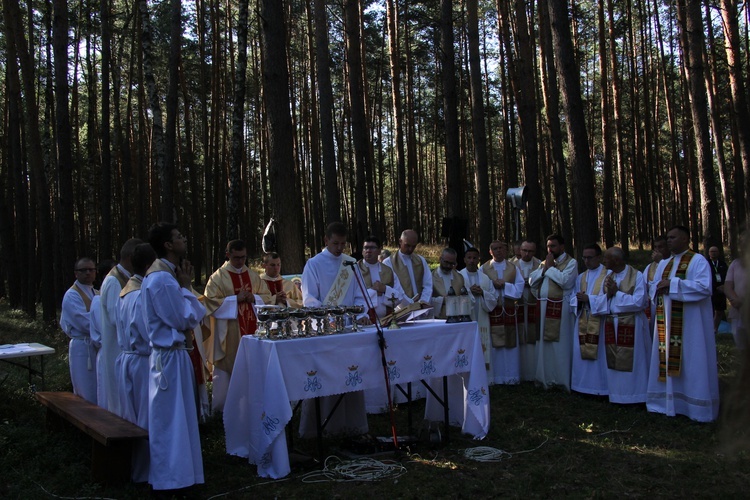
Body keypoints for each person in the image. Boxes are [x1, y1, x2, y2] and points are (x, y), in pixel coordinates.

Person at [142, 222, 206, 490]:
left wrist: (184, 287)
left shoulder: (166, 277)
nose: (184, 239)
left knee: (180, 419)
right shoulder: (162, 280)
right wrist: (186, 287)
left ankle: (183, 476)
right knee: (171, 421)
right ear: (168, 245)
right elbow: (184, 318)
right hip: (169, 357)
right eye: (179, 237)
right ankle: (170, 481)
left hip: (172, 356)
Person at [300, 222, 369, 437]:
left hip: (349, 328)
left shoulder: (350, 264)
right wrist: (328, 318)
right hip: (325, 329)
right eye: (335, 243)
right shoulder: (314, 264)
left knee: (351, 372)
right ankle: (322, 427)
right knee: (326, 375)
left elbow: (360, 294)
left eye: (343, 244)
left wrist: (362, 314)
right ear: (326, 240)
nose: (339, 248)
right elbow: (310, 298)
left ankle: (352, 424)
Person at [647, 225, 719, 422]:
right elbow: (654, 287)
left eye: (673, 237)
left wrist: (673, 284)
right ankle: (666, 403)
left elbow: (704, 288)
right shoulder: (665, 263)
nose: (668, 241)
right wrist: (658, 288)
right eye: (667, 238)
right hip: (666, 324)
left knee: (693, 360)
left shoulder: (698, 261)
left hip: (691, 325)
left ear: (686, 239)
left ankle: (696, 408)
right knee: (668, 358)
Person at [203, 240, 272, 413]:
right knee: (227, 368)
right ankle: (223, 409)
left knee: (252, 367)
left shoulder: (253, 275)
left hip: (252, 328)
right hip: (229, 332)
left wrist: (254, 298)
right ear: (228, 255)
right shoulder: (218, 277)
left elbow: (267, 296)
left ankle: (253, 406)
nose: (241, 261)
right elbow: (209, 303)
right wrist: (235, 299)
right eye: (236, 258)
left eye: (243, 257)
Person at [115, 243, 157, 483]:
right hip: (141, 360)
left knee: (131, 415)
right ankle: (145, 473)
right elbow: (147, 331)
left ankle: (135, 469)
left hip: (127, 358)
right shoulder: (140, 294)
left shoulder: (127, 290)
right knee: (144, 419)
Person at [601, 247, 651, 404]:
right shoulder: (608, 276)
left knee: (634, 362)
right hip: (612, 322)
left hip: (631, 322)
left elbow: (639, 302)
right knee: (614, 362)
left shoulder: (637, 276)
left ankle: (636, 396)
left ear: (616, 260)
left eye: (607, 258)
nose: (604, 261)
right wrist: (608, 295)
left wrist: (617, 293)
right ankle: (616, 395)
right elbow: (603, 301)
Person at [98, 238, 142, 414]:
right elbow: (117, 318)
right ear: (132, 257)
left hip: (127, 349)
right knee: (119, 401)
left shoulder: (125, 278)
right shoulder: (114, 281)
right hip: (118, 349)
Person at [529, 234, 578, 390]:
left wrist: (548, 268)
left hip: (560, 308)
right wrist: (545, 268)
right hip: (543, 308)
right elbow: (532, 281)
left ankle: (560, 379)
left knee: (559, 344)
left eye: (554, 246)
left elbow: (565, 281)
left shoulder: (572, 262)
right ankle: (545, 377)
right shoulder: (545, 263)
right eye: (548, 246)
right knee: (544, 344)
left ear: (562, 247)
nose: (550, 249)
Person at [480, 240, 524, 384]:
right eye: (495, 249)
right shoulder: (484, 269)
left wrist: (505, 285)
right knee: (494, 344)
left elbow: (519, 288)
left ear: (505, 251)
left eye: (501, 248)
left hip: (509, 309)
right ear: (490, 251)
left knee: (510, 344)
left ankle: (511, 376)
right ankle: (496, 376)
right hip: (492, 309)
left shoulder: (513, 267)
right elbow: (481, 287)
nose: (498, 251)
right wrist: (492, 285)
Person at [570, 244, 609, 396]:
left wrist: (589, 299)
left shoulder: (608, 275)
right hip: (583, 317)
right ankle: (581, 386)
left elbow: (609, 299)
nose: (586, 261)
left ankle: (600, 388)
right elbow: (572, 296)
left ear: (599, 257)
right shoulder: (581, 277)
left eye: (590, 257)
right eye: (584, 258)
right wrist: (578, 301)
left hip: (599, 319)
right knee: (580, 352)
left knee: (599, 355)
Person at [60, 258, 99, 403]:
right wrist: (104, 327)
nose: (88, 273)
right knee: (86, 390)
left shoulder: (96, 292)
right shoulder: (72, 295)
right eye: (83, 270)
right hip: (83, 348)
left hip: (96, 345)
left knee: (98, 388)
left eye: (91, 269)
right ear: (76, 273)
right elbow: (84, 322)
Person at [459, 247, 497, 380]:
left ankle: (484, 377)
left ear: (478, 259)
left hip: (482, 317)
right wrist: (469, 291)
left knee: (482, 343)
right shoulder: (459, 276)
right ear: (464, 259)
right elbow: (455, 297)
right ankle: (467, 375)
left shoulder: (485, 278)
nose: (471, 260)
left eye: (474, 258)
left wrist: (482, 293)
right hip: (466, 318)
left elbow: (493, 298)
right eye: (469, 257)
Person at [357, 236, 407, 320]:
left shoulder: (387, 271)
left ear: (379, 250)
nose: (368, 251)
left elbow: (400, 296)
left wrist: (384, 289)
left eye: (372, 248)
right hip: (364, 318)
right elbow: (353, 297)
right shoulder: (356, 269)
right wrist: (374, 291)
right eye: (366, 248)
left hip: (387, 318)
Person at [383, 229, 433, 307]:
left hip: (421, 307)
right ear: (400, 241)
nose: (410, 249)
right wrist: (410, 303)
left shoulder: (421, 260)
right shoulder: (388, 263)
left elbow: (428, 284)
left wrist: (423, 302)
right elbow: (394, 288)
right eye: (407, 245)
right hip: (401, 308)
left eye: (413, 246)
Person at [516, 240, 542, 381]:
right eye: (525, 250)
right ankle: (519, 371)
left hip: (533, 304)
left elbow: (544, 285)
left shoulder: (540, 265)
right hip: (517, 306)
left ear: (534, 252)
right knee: (519, 336)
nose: (527, 254)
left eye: (530, 251)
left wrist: (531, 285)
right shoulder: (511, 265)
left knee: (533, 338)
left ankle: (532, 373)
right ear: (520, 250)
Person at [724, 233, 747, 350]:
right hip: (738, 310)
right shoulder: (735, 263)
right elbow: (728, 285)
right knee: (741, 345)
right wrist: (735, 300)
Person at [643, 236, 670, 335]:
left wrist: (661, 262)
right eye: (656, 247)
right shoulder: (650, 267)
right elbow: (644, 286)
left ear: (668, 247)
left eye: (661, 247)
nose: (657, 250)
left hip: (668, 306)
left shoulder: (675, 263)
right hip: (653, 307)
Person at [431, 248, 466, 319]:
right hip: (438, 320)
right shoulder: (430, 277)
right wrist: (442, 300)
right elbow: (426, 300)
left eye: (452, 264)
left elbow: (467, 298)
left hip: (456, 318)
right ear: (440, 259)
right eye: (446, 262)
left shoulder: (459, 277)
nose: (448, 266)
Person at [707, 245, 728, 333]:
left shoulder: (723, 264)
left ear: (718, 253)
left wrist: (724, 286)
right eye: (712, 251)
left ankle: (715, 328)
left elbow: (727, 276)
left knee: (719, 311)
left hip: (721, 291)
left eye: (715, 251)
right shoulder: (706, 263)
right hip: (710, 290)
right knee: (710, 311)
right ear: (709, 253)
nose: (713, 253)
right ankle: (708, 329)